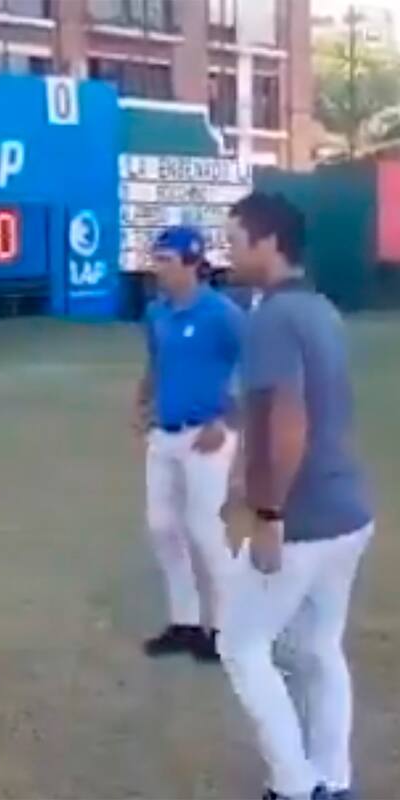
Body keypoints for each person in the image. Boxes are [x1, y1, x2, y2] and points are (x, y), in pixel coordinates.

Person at [218, 192, 375, 800]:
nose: (226, 251)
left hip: (305, 516)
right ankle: (332, 782)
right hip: (347, 513)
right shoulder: (321, 310)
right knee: (316, 648)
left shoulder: (274, 317)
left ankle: (295, 787)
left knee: (241, 645)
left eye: (234, 239)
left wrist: (269, 512)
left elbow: (289, 422)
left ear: (266, 244)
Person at [136, 226, 244, 663]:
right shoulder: (156, 313)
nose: (157, 267)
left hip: (208, 436)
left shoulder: (222, 313)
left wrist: (226, 418)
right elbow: (156, 360)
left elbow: (253, 365)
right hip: (164, 433)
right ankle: (185, 622)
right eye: (156, 259)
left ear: (191, 263)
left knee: (208, 532)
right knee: (162, 526)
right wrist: (141, 400)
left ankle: (224, 629)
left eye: (165, 260)